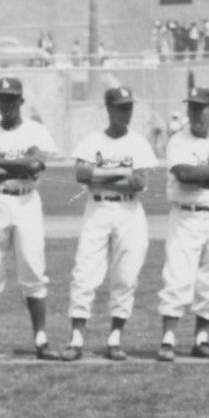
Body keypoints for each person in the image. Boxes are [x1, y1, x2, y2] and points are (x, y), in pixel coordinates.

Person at [0, 76, 59, 361]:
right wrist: (17, 167)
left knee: (32, 267)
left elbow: (35, 165)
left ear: (21, 101)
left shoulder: (35, 130)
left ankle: (41, 339)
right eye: (2, 98)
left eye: (11, 98)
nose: (6, 104)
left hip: (26, 200)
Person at [65, 85, 160, 360]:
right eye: (120, 107)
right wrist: (120, 171)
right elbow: (81, 174)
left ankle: (115, 337)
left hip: (129, 210)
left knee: (126, 276)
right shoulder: (93, 140)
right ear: (108, 109)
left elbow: (140, 181)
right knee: (84, 273)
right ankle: (76, 338)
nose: (125, 113)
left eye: (129, 107)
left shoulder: (138, 142)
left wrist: (101, 174)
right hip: (98, 209)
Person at [157, 85, 209, 361]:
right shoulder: (178, 140)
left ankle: (202, 338)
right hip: (185, 214)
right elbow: (183, 173)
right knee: (178, 276)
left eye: (200, 107)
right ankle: (168, 339)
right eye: (190, 106)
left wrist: (203, 175)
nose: (194, 112)